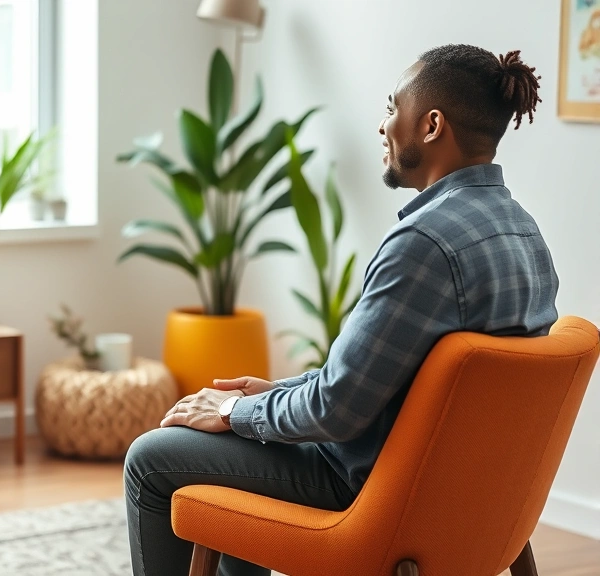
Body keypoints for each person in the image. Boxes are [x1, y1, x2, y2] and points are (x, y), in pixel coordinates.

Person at [124, 44, 559, 576]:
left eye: (392, 107)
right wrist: (273, 393)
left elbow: (335, 410)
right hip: (465, 503)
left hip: (373, 496)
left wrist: (231, 412)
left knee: (151, 458)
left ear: (431, 125)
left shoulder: (424, 243)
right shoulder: (524, 232)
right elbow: (384, 382)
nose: (383, 127)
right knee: (239, 442)